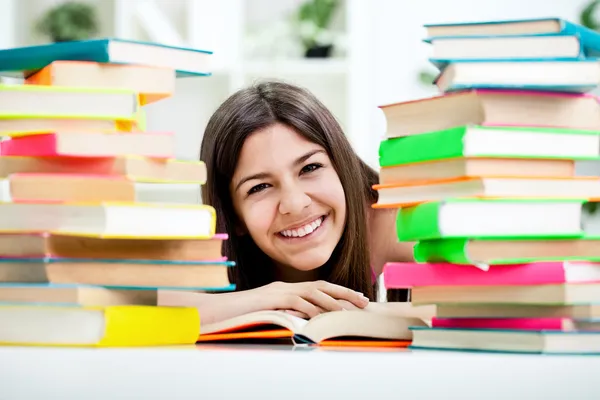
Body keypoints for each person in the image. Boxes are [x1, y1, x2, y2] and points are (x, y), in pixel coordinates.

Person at [161, 81, 413, 324]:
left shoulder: (386, 219)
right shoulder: (213, 251)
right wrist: (266, 298)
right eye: (259, 187)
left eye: (310, 167)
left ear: (341, 168)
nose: (294, 203)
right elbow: (131, 303)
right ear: (234, 216)